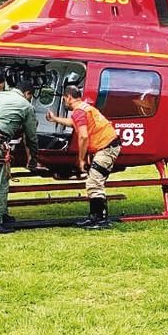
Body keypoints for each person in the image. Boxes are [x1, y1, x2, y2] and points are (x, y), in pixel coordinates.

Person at [45, 84, 121, 229]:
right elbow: (74, 123)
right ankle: (94, 217)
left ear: (68, 97)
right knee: (94, 182)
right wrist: (55, 119)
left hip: (105, 148)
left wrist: (80, 158)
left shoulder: (79, 111)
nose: (64, 102)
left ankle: (101, 220)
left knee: (94, 183)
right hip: (108, 146)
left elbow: (84, 136)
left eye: (64, 99)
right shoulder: (84, 108)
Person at [0, 71, 41, 234]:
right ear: (27, 94)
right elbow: (31, 137)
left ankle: (2, 215)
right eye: (31, 96)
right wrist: (34, 158)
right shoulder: (26, 106)